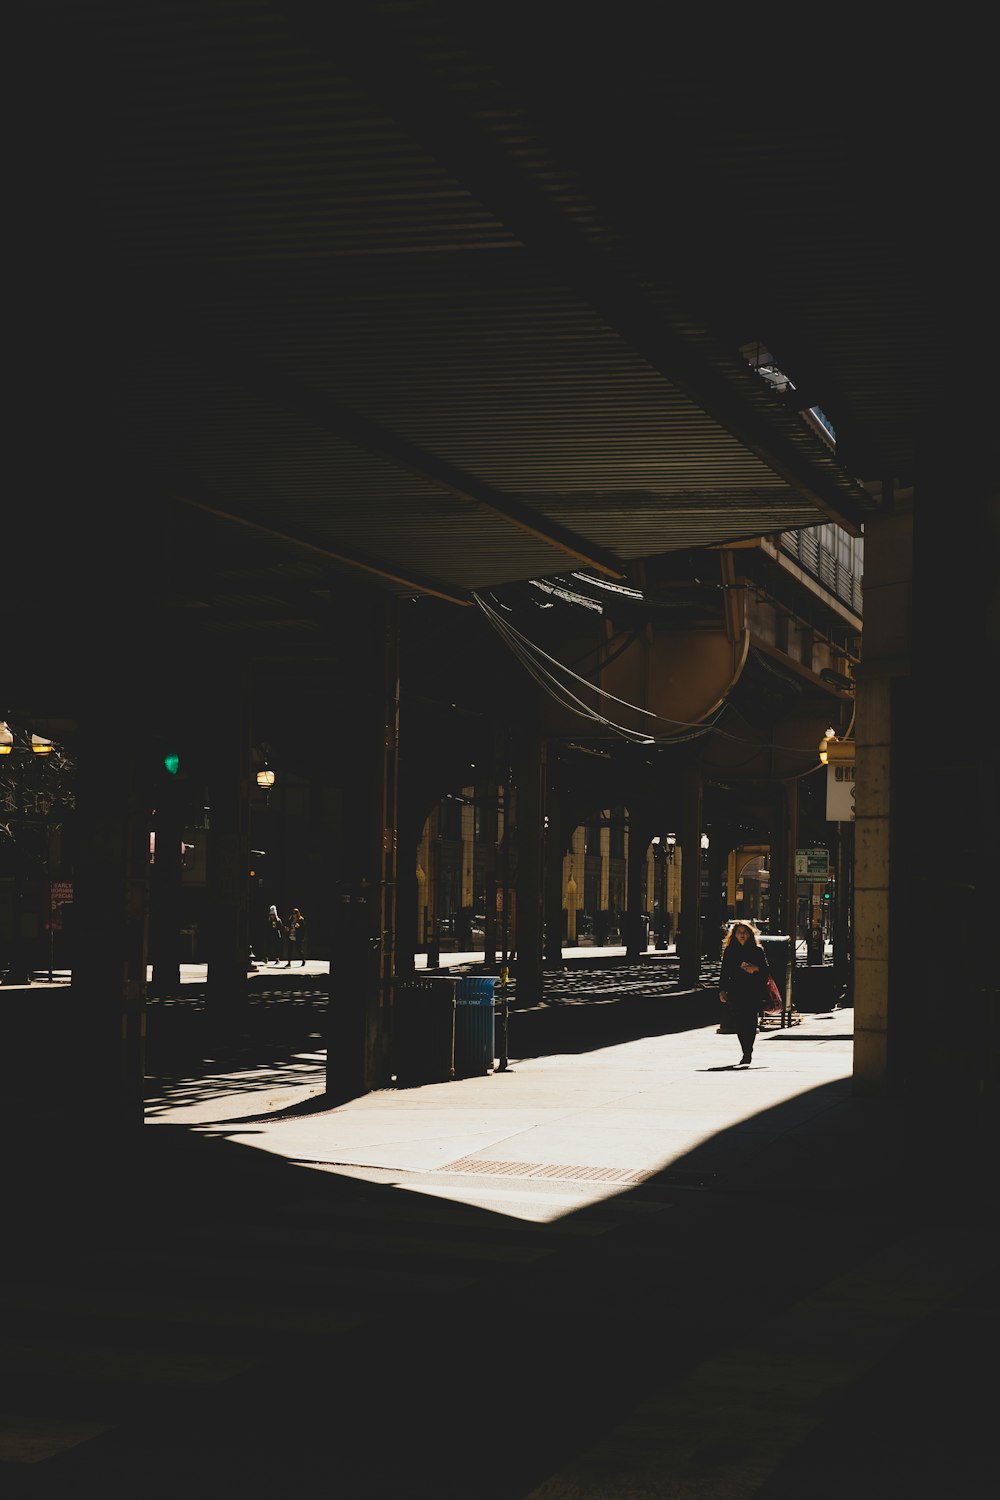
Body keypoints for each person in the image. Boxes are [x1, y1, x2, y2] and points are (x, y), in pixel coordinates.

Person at [719, 920, 770, 1066]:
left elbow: (766, 970)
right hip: (735, 990)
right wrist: (722, 990)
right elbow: (724, 972)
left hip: (753, 990)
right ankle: (745, 1049)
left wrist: (756, 968)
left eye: (745, 932)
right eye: (739, 932)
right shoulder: (730, 950)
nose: (742, 935)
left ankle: (748, 1051)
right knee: (740, 1022)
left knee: (751, 1021)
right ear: (734, 935)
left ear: (750, 934)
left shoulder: (757, 950)